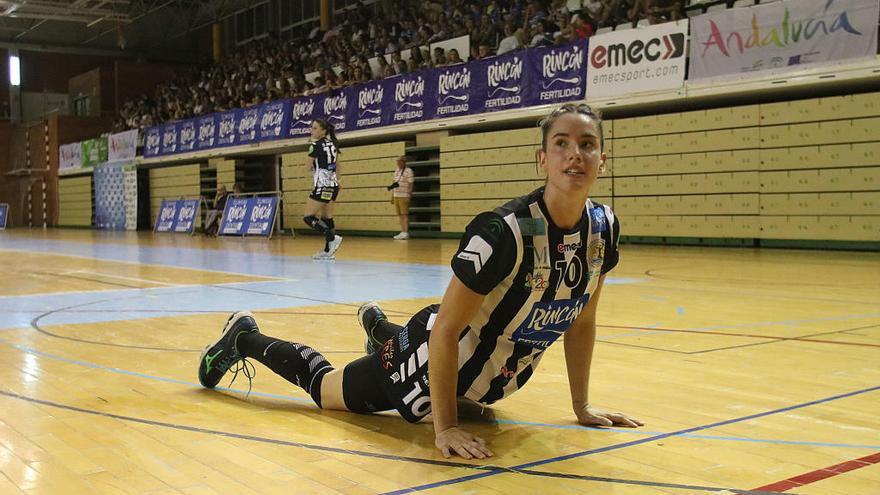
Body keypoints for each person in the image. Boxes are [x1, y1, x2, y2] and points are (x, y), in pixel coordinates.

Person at [198, 103, 642, 459]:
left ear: (603, 160)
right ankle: (244, 338)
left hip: (486, 378)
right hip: (427, 355)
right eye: (562, 144)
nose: (575, 154)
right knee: (328, 390)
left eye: (587, 144)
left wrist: (581, 407)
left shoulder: (603, 227)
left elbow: (581, 322)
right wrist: (445, 428)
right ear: (543, 159)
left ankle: (379, 330)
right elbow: (446, 330)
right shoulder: (503, 231)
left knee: (477, 405)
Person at [303, 119, 343, 260]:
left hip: (322, 185)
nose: (311, 131)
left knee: (308, 217)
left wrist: (311, 148)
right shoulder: (332, 144)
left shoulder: (315, 145)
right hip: (333, 185)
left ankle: (332, 237)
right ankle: (328, 251)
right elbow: (337, 165)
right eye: (311, 128)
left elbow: (307, 167)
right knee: (327, 218)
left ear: (323, 131)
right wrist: (338, 180)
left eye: (314, 128)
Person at [386, 155, 414, 240]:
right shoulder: (397, 170)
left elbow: (410, 184)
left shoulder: (408, 171)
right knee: (400, 215)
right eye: (397, 162)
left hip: (403, 195)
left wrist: (409, 195)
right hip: (396, 195)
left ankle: (406, 232)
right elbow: (394, 183)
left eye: (399, 162)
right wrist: (392, 196)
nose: (397, 163)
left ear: (403, 162)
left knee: (404, 214)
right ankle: (402, 231)